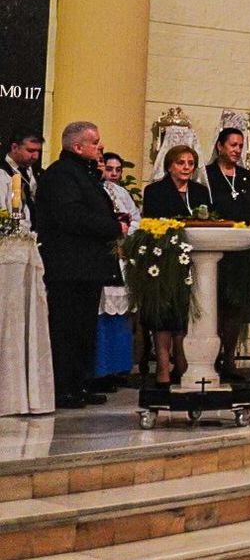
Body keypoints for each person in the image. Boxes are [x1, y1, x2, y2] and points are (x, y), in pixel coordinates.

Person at [33, 122, 126, 408]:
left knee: (84, 329)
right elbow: (72, 217)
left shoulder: (83, 175)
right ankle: (63, 388)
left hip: (86, 266)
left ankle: (78, 384)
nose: (100, 147)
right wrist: (113, 227)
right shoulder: (61, 176)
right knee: (66, 329)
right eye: (95, 142)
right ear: (77, 147)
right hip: (69, 266)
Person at [140, 145, 213, 386]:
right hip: (165, 259)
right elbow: (152, 223)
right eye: (181, 163)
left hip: (195, 259)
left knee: (184, 314)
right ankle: (162, 367)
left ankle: (183, 363)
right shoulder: (155, 191)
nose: (186, 168)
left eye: (190, 163)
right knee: (164, 315)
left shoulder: (200, 192)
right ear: (170, 165)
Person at [203, 128, 250, 381]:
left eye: (241, 146)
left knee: (236, 308)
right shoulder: (206, 176)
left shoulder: (247, 177)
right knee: (214, 307)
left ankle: (229, 359)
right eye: (233, 145)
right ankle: (209, 356)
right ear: (220, 146)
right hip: (214, 253)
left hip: (242, 253)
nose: (237, 150)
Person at [92, 152, 140, 389]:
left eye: (117, 169)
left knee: (121, 315)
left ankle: (118, 368)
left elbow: (136, 220)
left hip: (122, 258)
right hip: (101, 257)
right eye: (108, 168)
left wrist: (127, 238)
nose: (112, 173)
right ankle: (100, 370)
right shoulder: (94, 190)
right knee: (102, 314)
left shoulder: (123, 194)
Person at [2, 131, 43, 226]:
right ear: (14, 147)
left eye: (38, 151)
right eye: (30, 151)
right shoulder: (2, 172)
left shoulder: (39, 173)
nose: (35, 156)